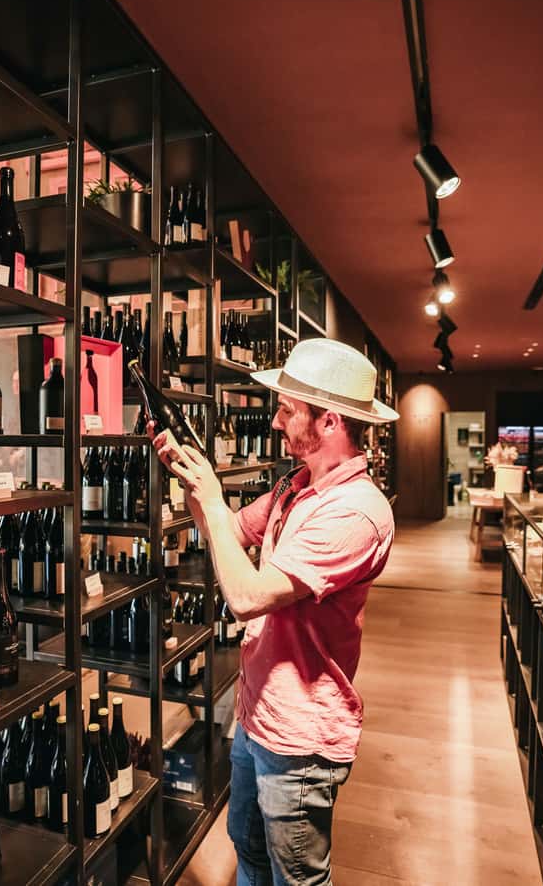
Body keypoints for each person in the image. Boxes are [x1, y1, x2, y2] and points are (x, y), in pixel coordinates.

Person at [149, 337, 398, 885]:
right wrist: (191, 479)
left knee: (297, 877)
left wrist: (211, 498)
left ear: (329, 421)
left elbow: (246, 596)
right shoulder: (296, 485)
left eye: (287, 410)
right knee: (250, 850)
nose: (275, 421)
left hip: (301, 737)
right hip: (257, 712)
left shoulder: (356, 513)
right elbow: (226, 533)